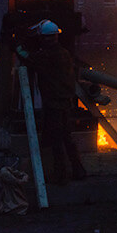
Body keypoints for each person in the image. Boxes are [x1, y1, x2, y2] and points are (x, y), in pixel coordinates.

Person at [16, 19, 86, 184]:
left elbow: (28, 58)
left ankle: (61, 176)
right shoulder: (65, 53)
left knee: (56, 139)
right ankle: (78, 170)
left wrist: (19, 46)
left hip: (53, 103)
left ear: (44, 38)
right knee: (67, 137)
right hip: (66, 102)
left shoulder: (45, 56)